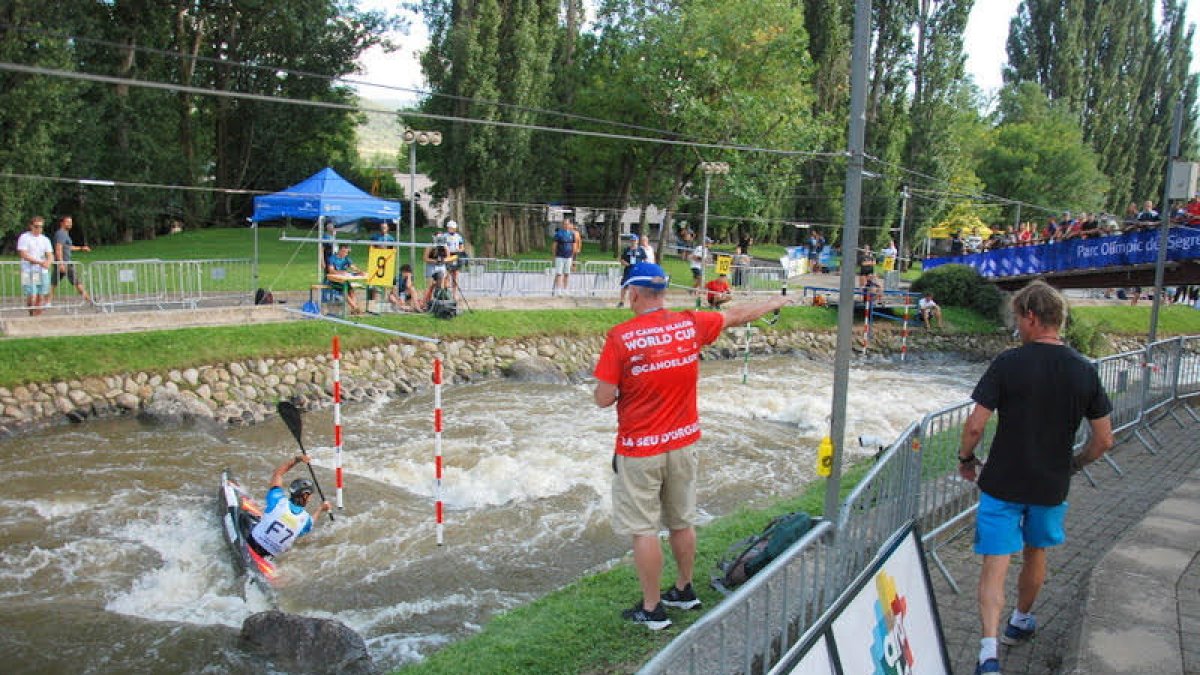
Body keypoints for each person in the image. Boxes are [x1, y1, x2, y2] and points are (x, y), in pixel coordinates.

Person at [592, 262, 789, 630]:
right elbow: (734, 315)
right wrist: (776, 303)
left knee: (644, 529)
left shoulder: (621, 338)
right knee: (682, 522)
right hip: (683, 443)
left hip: (639, 449)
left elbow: (603, 398)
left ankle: (652, 610)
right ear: (662, 292)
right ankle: (684, 590)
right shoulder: (689, 324)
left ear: (633, 293)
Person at [957, 280, 1114, 675]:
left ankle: (988, 653)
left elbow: (976, 424)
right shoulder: (1084, 370)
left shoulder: (1009, 363)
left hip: (1002, 481)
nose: (1016, 327)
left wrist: (966, 458)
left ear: (1031, 317)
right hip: (1050, 483)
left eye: (1017, 319)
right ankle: (1020, 621)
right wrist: (1074, 464)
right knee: (1035, 553)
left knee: (996, 562)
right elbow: (1104, 441)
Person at [248, 455, 332, 559]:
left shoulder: (278, 500)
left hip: (252, 542)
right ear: (305, 495)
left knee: (250, 518)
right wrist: (321, 509)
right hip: (267, 556)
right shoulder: (306, 521)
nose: (310, 499)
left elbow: (278, 474)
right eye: (310, 496)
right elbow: (312, 521)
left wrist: (297, 460)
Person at [50, 215, 93, 305]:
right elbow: (58, 248)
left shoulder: (65, 234)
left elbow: (69, 247)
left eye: (71, 222)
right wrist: (61, 263)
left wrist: (81, 248)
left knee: (53, 284)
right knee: (77, 281)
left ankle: (46, 302)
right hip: (65, 263)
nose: (70, 224)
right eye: (68, 222)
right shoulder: (61, 233)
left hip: (63, 263)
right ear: (62, 223)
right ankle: (90, 300)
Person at [17, 216, 54, 316]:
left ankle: (37, 317)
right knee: (32, 296)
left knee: (40, 296)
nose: (39, 229)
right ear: (31, 226)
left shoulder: (45, 239)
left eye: (41, 227)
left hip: (42, 271)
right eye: (36, 226)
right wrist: (40, 262)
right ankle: (31, 313)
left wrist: (48, 262)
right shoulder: (25, 237)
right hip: (28, 271)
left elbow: (50, 254)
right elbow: (23, 254)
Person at [326, 243, 364, 314]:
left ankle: (354, 310)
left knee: (352, 291)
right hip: (334, 281)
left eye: (347, 252)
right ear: (340, 250)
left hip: (344, 280)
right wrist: (340, 272)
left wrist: (360, 271)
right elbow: (330, 270)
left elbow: (353, 267)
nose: (346, 254)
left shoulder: (346, 258)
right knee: (345, 291)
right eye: (345, 252)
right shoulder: (332, 258)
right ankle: (356, 308)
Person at [616, 233, 647, 308]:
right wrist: (625, 263)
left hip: (638, 271)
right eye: (632, 241)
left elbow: (645, 259)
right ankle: (621, 302)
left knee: (638, 287)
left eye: (634, 240)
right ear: (630, 241)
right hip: (628, 271)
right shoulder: (627, 249)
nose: (633, 242)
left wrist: (644, 267)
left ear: (637, 241)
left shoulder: (641, 250)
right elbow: (621, 260)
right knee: (624, 286)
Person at [552, 218, 580, 294]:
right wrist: (554, 257)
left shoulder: (572, 234)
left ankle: (565, 289)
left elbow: (574, 246)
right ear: (562, 225)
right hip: (560, 256)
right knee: (559, 273)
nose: (566, 225)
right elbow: (554, 246)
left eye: (567, 224)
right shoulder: (558, 234)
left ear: (569, 225)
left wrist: (573, 257)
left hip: (568, 257)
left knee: (567, 274)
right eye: (565, 224)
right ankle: (558, 290)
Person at [442, 220, 465, 290]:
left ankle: (454, 293)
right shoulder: (444, 236)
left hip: (455, 255)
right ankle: (446, 291)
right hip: (447, 255)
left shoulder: (458, 237)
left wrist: (460, 250)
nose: (451, 229)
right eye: (449, 228)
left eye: (452, 228)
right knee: (447, 273)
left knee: (455, 274)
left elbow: (462, 247)